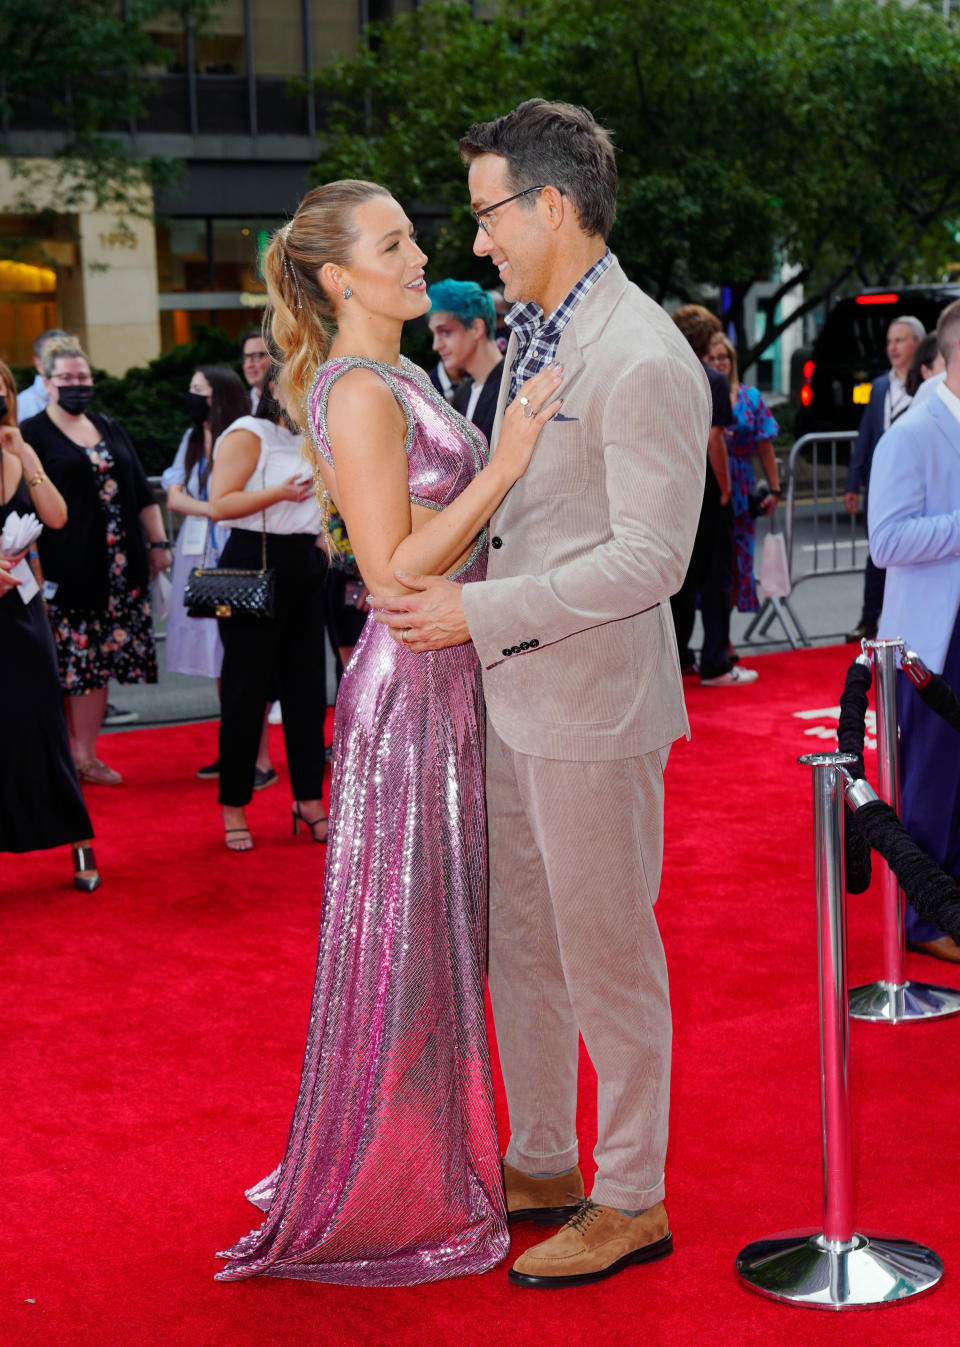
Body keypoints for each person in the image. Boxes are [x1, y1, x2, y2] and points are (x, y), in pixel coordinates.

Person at [371, 100, 710, 1288]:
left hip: (593, 706)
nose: (474, 243)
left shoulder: (641, 353)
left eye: (486, 213)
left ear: (550, 206)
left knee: (610, 955)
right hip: (512, 696)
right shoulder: (536, 332)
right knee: (523, 945)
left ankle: (631, 1198)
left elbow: (651, 559)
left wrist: (479, 611)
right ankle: (546, 1156)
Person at [215, 178, 560, 1285]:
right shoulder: (359, 391)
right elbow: (390, 570)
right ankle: (385, 1179)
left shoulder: (404, 373)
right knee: (408, 952)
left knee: (439, 944)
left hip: (445, 680)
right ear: (336, 276)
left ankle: (435, 1162)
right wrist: (503, 464)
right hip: (407, 691)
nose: (424, 256)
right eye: (397, 241)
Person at [20, 338, 170, 786]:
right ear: (46, 383)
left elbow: (142, 492)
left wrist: (160, 544)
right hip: (61, 573)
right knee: (63, 668)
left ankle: (85, 756)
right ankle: (53, 759)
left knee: (97, 666)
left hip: (120, 571)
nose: (76, 385)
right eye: (66, 378)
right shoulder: (29, 433)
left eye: (82, 377)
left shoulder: (108, 425)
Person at [869, 299, 960, 962]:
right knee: (932, 779)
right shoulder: (913, 431)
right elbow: (887, 540)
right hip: (936, 640)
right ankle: (925, 921)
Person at [206, 382, 327, 852]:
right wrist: (279, 493)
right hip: (252, 562)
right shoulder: (248, 431)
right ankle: (233, 805)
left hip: (305, 564)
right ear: (276, 383)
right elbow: (220, 504)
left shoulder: (318, 433)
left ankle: (309, 800)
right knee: (245, 693)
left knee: (308, 694)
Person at [0, 359, 100, 892]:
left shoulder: (19, 449)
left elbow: (55, 517)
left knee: (41, 726)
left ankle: (77, 840)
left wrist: (26, 455)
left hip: (21, 613)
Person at [670, 306, 757, 686]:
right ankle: (716, 662)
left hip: (670, 489)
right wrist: (724, 489)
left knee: (680, 581)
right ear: (706, 340)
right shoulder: (711, 380)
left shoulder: (661, 373)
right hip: (704, 491)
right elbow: (714, 439)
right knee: (717, 578)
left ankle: (678, 658)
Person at [843, 314, 924, 642]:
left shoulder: (929, 385)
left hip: (915, 486)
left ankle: (905, 617)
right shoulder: (878, 387)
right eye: (890, 341)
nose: (893, 347)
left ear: (917, 343)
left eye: (900, 340)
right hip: (880, 486)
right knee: (876, 553)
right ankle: (869, 619)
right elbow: (865, 436)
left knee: (909, 553)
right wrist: (852, 482)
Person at [705, 331, 781, 616]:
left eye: (723, 357)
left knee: (741, 562)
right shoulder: (700, 394)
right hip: (712, 486)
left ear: (732, 360)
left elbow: (765, 447)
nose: (719, 362)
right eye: (712, 357)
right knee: (716, 566)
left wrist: (774, 489)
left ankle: (726, 636)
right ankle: (722, 641)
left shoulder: (751, 397)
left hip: (743, 486)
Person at [427, 278, 506, 446]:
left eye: (445, 332)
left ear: (476, 328)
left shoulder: (514, 383)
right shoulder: (462, 395)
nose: (436, 346)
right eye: (434, 334)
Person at [16, 328, 68, 422]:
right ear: (37, 363)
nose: (61, 362)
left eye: (67, 355)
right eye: (52, 356)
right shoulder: (23, 404)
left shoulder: (78, 395)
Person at [240, 328, 271, 413]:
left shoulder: (289, 403)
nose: (249, 365)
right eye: (246, 357)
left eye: (257, 356)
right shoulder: (237, 404)